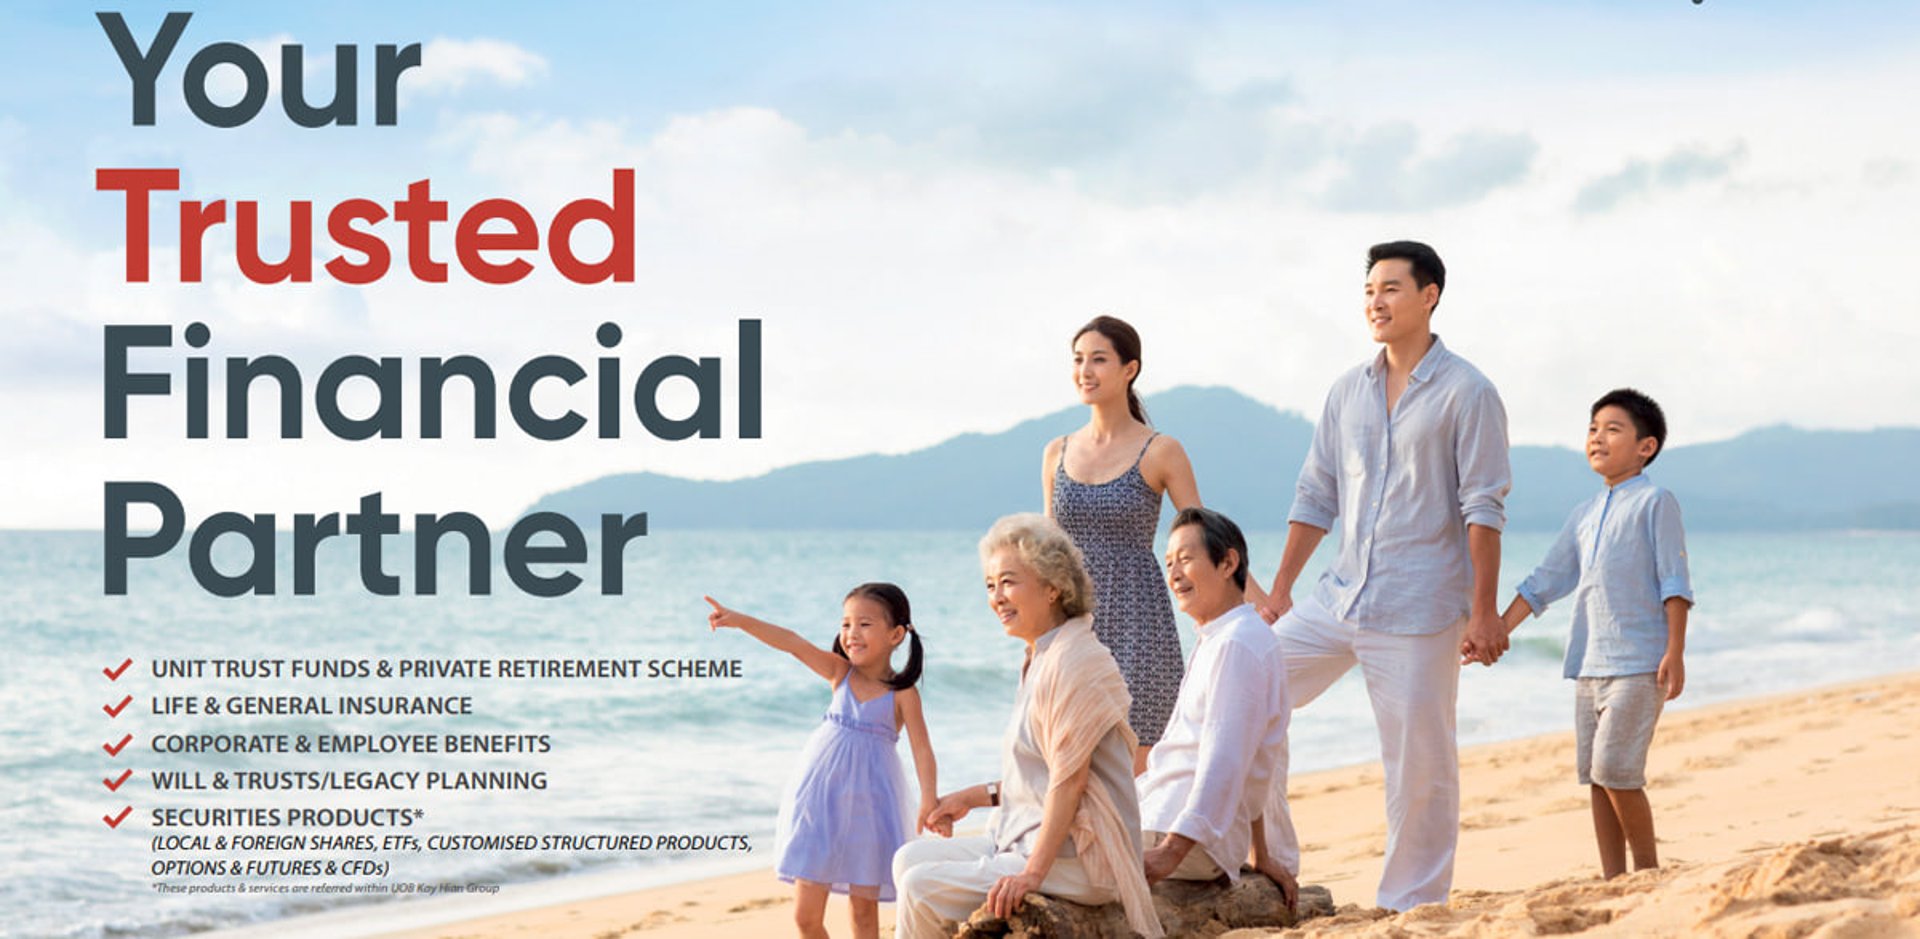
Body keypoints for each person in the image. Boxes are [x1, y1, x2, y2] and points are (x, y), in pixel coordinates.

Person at [1258, 240, 1511, 911]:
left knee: (1419, 764)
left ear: (1429, 296)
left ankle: (1411, 902)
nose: (1375, 301)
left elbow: (1483, 508)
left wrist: (1483, 611)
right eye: (1369, 289)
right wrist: (1282, 589)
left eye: (1391, 288)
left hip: (1421, 605)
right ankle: (1263, 856)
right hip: (1339, 595)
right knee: (1246, 687)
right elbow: (1316, 493)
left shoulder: (1469, 392)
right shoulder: (1348, 390)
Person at [893, 514, 1162, 939]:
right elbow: (1042, 772)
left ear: (1053, 587)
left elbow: (1069, 784)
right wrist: (973, 798)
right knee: (908, 859)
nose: (996, 597)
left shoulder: (1076, 662)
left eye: (1008, 582)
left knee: (919, 887)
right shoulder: (1042, 655)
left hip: (1081, 859)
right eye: (989, 585)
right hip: (1027, 834)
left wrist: (1031, 876)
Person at [1498, 388, 1693, 880]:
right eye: (1592, 429)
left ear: (1645, 447)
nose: (1597, 438)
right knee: (1595, 777)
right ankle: (1614, 879)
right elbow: (1547, 579)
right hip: (1589, 664)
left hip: (1639, 661)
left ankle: (1649, 873)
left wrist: (1676, 650)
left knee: (1615, 770)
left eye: (1612, 429)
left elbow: (1675, 581)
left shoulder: (1656, 501)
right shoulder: (1583, 514)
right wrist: (1498, 629)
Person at [706, 585, 939, 939]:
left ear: (896, 634)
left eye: (864, 624)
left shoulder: (903, 692)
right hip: (820, 804)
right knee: (805, 918)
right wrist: (739, 621)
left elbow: (922, 749)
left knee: (863, 917)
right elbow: (792, 642)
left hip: (871, 810)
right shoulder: (839, 673)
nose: (851, 634)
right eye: (845, 624)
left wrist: (929, 799)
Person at [1044, 315, 1201, 773]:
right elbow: (1049, 551)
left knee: (1137, 756)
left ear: (1129, 369)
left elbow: (1201, 535)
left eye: (1099, 360)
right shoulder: (1056, 451)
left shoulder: (1160, 450)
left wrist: (1253, 604)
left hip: (1138, 616)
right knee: (1067, 751)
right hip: (1072, 618)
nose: (1084, 371)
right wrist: (1038, 636)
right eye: (1078, 360)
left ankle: (1137, 844)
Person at [1138, 507, 1299, 910]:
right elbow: (1254, 763)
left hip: (1173, 830)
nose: (1173, 573)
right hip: (1171, 822)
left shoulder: (1235, 645)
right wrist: (1260, 852)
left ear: (1228, 562)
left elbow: (1223, 763)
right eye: (1169, 562)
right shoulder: (1225, 637)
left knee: (1028, 857)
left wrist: (1170, 853)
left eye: (1186, 559)